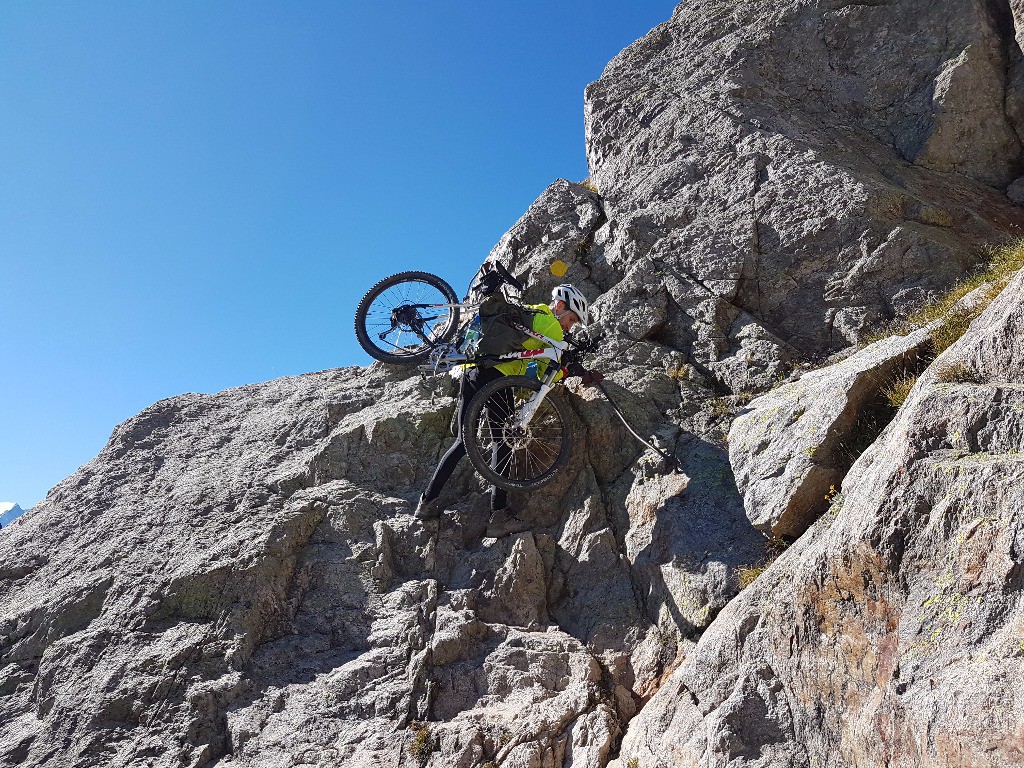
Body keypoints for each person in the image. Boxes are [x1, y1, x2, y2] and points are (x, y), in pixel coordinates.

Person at [415, 283, 590, 537]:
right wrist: (564, 369)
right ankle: (498, 517)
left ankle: (426, 502)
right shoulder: (551, 326)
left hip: (474, 370)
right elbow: (541, 379)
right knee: (504, 443)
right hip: (498, 379)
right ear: (560, 306)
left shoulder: (531, 312)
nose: (569, 327)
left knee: (463, 443)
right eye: (572, 319)